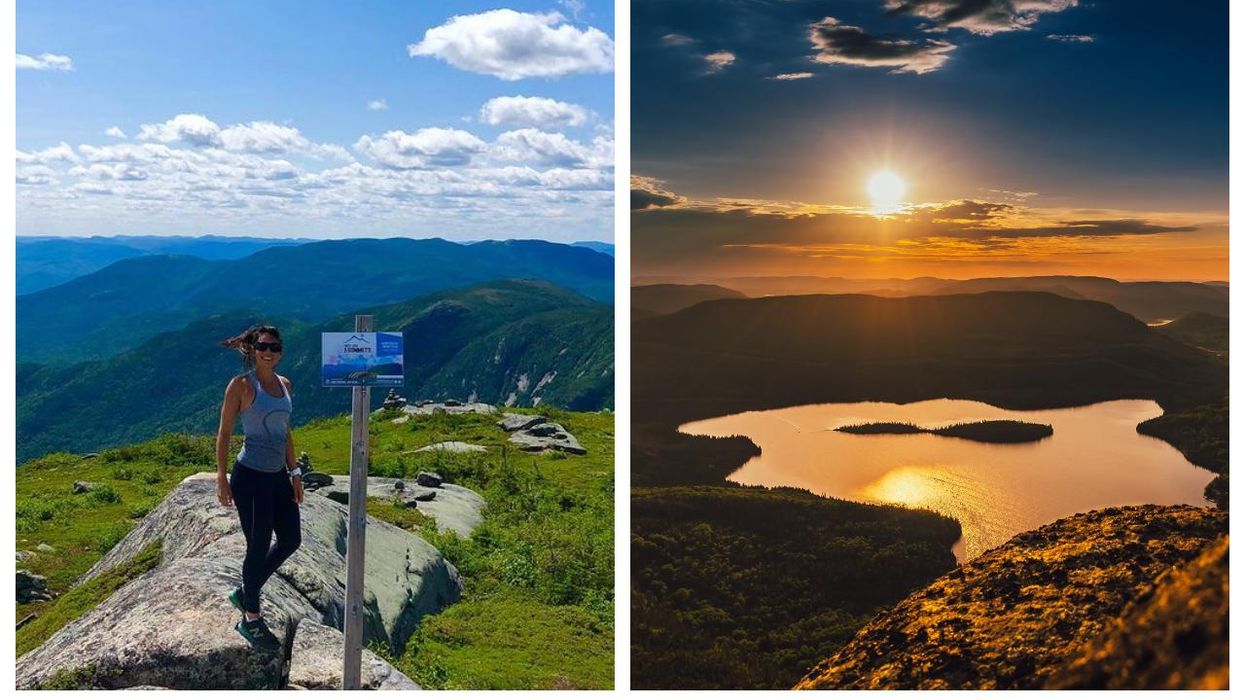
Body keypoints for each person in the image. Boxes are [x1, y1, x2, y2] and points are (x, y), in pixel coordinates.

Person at [214, 324, 303, 650]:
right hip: (249, 477)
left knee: (291, 539)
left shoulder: (285, 384)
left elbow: (285, 431)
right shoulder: (241, 385)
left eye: (275, 347)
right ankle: (250, 617)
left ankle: (244, 591)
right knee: (258, 544)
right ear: (252, 349)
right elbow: (224, 434)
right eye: (263, 346)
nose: (269, 352)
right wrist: (221, 477)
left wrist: (294, 472)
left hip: (277, 475)